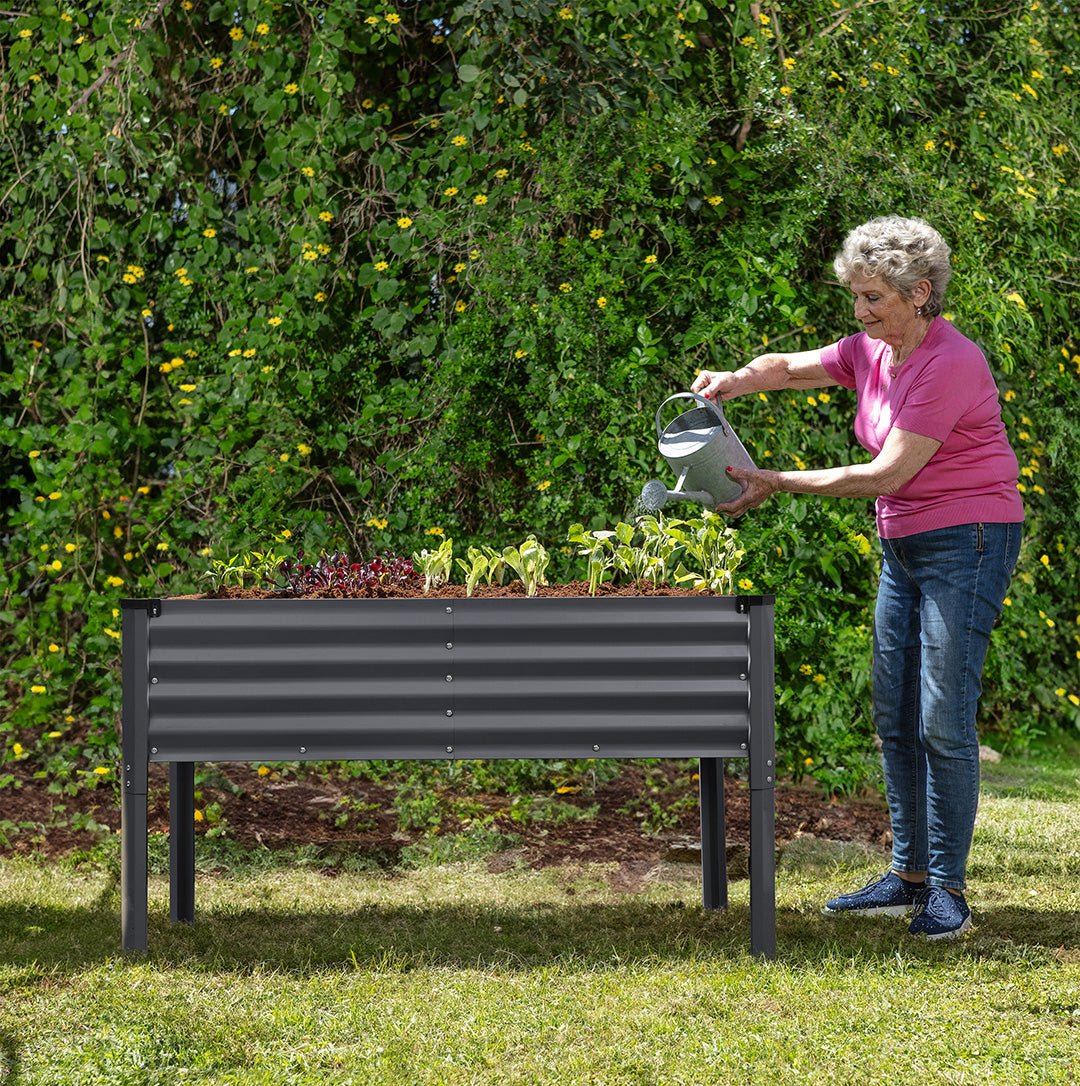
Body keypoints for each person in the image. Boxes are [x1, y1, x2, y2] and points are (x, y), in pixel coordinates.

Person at [691, 215, 1024, 940]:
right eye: (857, 296)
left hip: (968, 541)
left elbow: (887, 473)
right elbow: (789, 366)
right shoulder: (873, 350)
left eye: (874, 297)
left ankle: (949, 892)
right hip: (904, 547)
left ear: (921, 293)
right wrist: (732, 382)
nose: (861, 311)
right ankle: (908, 876)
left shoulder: (950, 363)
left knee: (942, 716)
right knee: (894, 712)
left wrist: (776, 480)